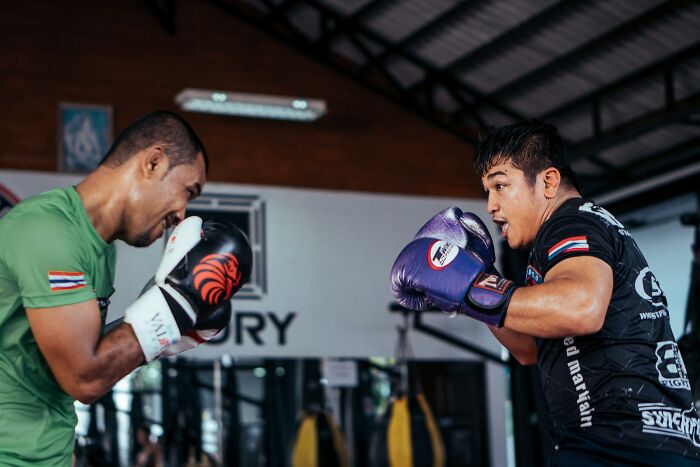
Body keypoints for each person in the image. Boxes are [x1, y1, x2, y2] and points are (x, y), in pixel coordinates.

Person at [391, 121, 700, 465]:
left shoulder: (571, 222)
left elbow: (581, 307)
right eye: (487, 191)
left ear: (548, 182)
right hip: (632, 444)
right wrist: (470, 287)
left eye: (501, 186)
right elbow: (528, 349)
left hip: (620, 446)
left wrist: (473, 286)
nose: (491, 206)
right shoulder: (573, 234)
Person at [0, 111, 251, 465]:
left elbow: (77, 363)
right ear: (153, 162)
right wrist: (174, 306)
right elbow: (83, 377)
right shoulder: (48, 231)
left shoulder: (100, 250)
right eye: (187, 191)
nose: (183, 213)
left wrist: (166, 327)